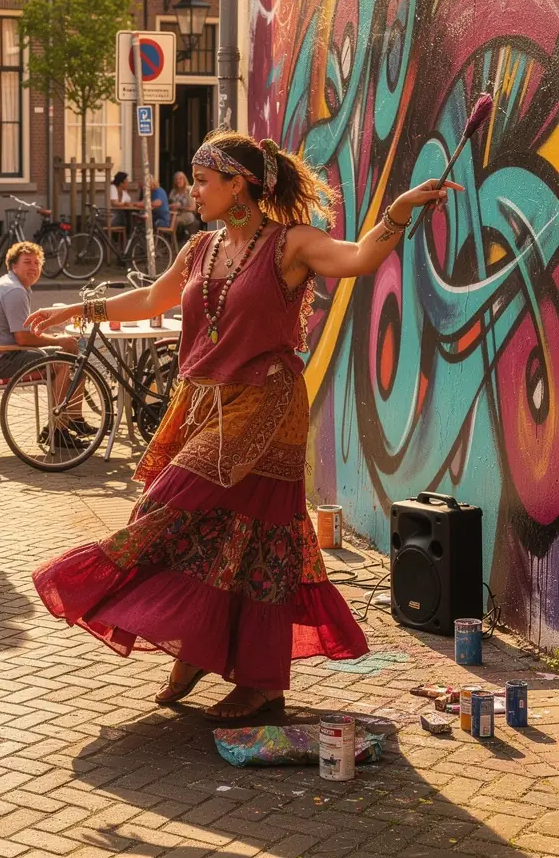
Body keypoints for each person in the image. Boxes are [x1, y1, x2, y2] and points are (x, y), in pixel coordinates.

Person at [25, 131, 460, 721]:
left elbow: (358, 258)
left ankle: (252, 679)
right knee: (238, 537)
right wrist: (76, 310)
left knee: (198, 511)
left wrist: (398, 214)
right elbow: (153, 300)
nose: (193, 190)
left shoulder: (290, 244)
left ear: (239, 186)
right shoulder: (201, 249)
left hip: (269, 406)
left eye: (204, 181)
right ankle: (207, 650)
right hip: (206, 406)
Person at [0, 241, 91, 447]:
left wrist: (54, 328)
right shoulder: (14, 291)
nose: (33, 267)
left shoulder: (13, 285)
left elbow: (24, 329)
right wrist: (59, 340)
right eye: (27, 262)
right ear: (13, 265)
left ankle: (74, 420)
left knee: (77, 360)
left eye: (37, 263)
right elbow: (23, 339)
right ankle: (57, 430)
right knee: (63, 361)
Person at [168, 170, 199, 243]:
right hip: (174, 213)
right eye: (176, 179)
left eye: (180, 178)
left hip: (187, 214)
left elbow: (193, 208)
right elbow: (169, 205)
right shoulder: (173, 191)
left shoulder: (189, 190)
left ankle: (172, 242)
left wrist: (180, 208)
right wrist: (171, 206)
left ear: (184, 179)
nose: (178, 181)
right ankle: (165, 240)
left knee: (175, 220)